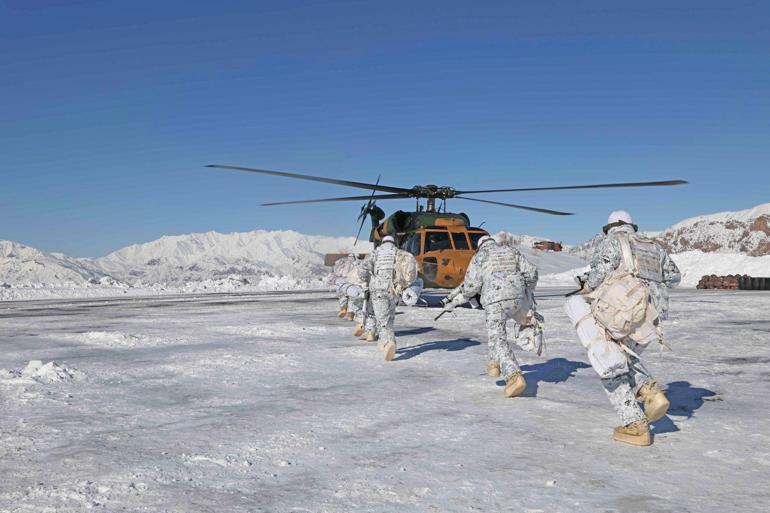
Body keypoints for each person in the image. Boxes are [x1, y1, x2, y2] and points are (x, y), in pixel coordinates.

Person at [566, 210, 681, 446]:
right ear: (631, 226)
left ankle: (635, 424)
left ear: (611, 228)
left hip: (625, 312)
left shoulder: (613, 242)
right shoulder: (653, 246)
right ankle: (650, 393)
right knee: (625, 357)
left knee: (609, 363)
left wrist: (586, 286)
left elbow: (599, 274)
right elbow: (674, 277)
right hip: (653, 316)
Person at [441, 235, 542, 398]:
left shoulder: (480, 256)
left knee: (497, 338)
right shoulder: (510, 250)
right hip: (517, 299)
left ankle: (514, 375)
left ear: (480, 246)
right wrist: (525, 290)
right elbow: (532, 273)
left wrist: (460, 298)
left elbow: (471, 286)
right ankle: (494, 364)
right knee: (496, 334)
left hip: (495, 301)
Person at [358, 235, 419, 361]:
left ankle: (389, 342)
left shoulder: (375, 253)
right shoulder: (398, 253)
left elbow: (363, 269)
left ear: (382, 242)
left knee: (382, 319)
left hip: (378, 290)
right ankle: (382, 341)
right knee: (389, 318)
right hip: (394, 290)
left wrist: (364, 279)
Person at [332, 254, 358, 319]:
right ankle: (351, 314)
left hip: (343, 283)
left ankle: (343, 308)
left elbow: (339, 273)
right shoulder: (356, 264)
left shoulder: (343, 263)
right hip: (353, 283)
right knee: (353, 299)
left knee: (342, 297)